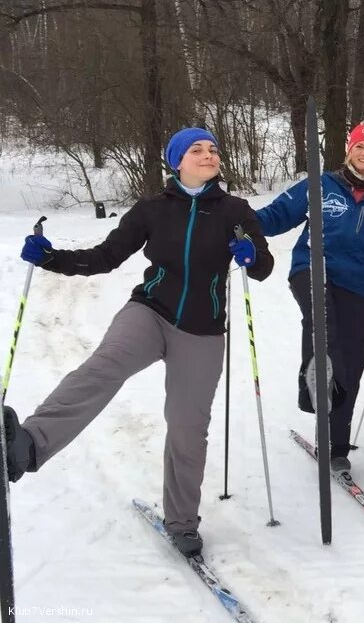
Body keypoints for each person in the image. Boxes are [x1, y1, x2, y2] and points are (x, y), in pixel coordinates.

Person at [3, 128, 273, 557]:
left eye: (213, 149)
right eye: (196, 150)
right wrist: (52, 258)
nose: (208, 155)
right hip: (150, 311)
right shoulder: (152, 210)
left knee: (188, 430)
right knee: (103, 366)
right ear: (177, 162)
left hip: (202, 330)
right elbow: (104, 258)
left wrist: (251, 255)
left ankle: (183, 523)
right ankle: (29, 445)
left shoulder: (236, 211)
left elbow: (263, 267)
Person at [256, 122, 364, 472]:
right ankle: (312, 383)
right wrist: (237, 220)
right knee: (323, 320)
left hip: (356, 283)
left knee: (352, 363)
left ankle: (337, 446)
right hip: (312, 266)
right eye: (360, 147)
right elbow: (277, 215)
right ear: (348, 149)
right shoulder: (321, 184)